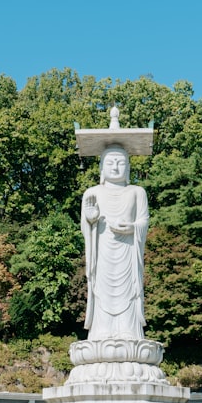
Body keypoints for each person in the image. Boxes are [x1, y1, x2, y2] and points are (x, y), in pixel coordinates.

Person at [81, 144, 149, 341]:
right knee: (101, 289)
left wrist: (133, 228)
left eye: (121, 163)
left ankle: (127, 329)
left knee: (129, 289)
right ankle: (102, 330)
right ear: (101, 167)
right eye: (110, 163)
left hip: (127, 251)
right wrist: (91, 220)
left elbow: (143, 220)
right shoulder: (92, 193)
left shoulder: (137, 192)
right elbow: (85, 227)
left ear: (128, 167)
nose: (115, 167)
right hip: (102, 252)